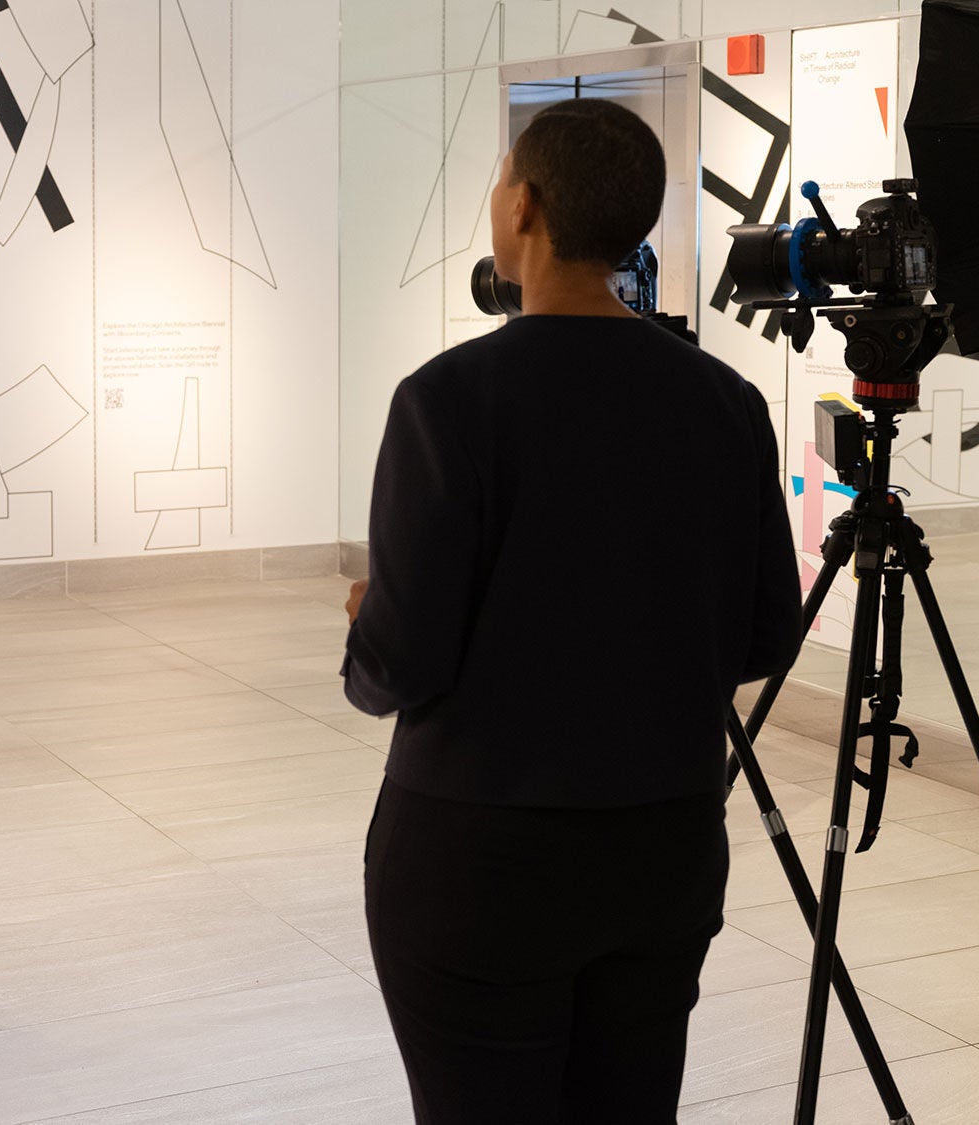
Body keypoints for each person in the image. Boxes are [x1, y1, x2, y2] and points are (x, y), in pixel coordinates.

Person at [342, 98, 804, 1123]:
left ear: (523, 205)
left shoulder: (447, 400)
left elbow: (401, 660)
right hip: (662, 848)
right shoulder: (723, 405)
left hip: (479, 859)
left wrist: (365, 624)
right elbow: (768, 633)